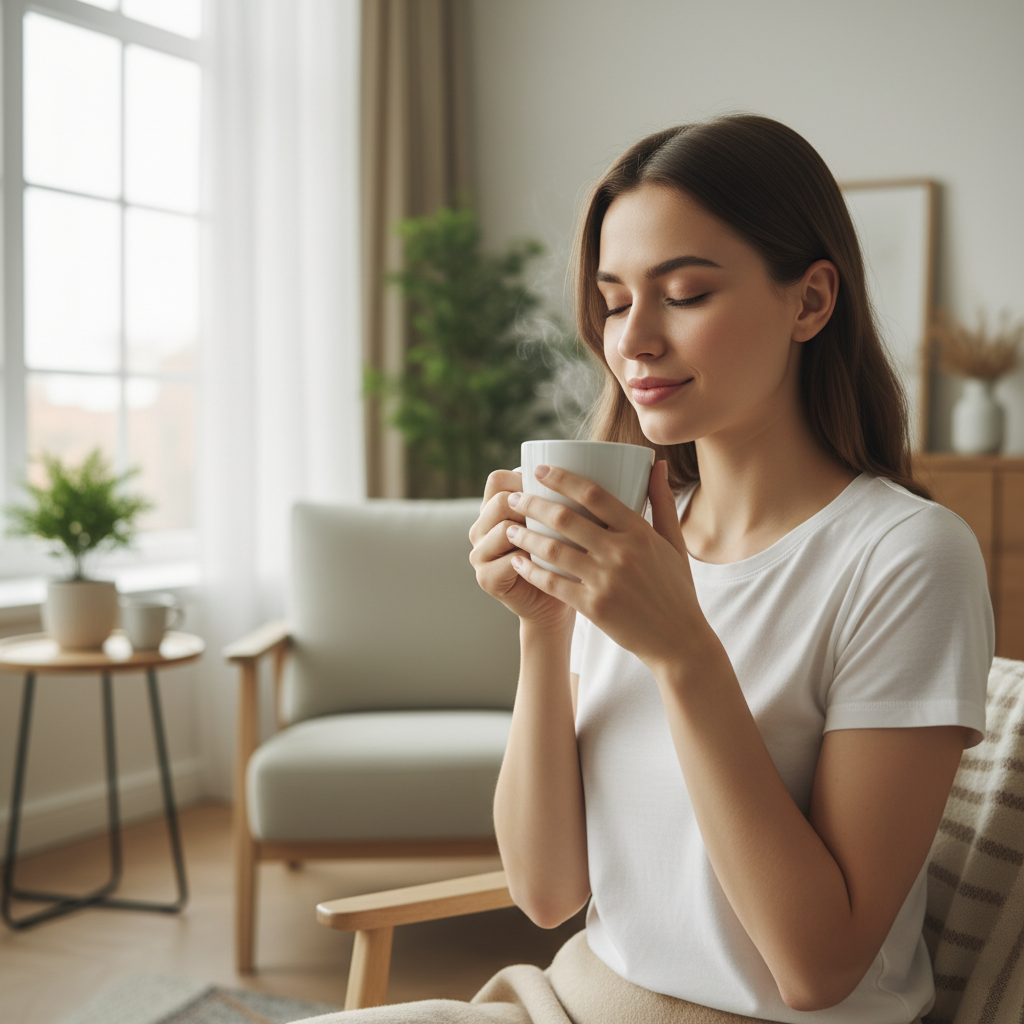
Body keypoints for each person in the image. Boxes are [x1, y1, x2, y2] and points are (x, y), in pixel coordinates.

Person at [296, 115, 993, 1024]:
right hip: (567, 999)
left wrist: (684, 652)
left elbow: (819, 969)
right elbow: (546, 893)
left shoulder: (905, 557)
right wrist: (542, 632)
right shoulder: (629, 542)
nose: (634, 341)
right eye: (616, 300)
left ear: (811, 302)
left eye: (687, 293)